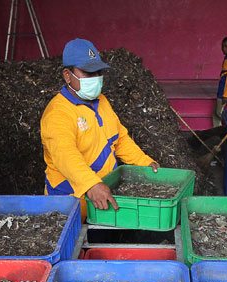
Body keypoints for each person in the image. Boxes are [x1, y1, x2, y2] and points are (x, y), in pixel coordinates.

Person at [40, 38, 158, 220]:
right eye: (88, 73)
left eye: (98, 72)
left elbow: (120, 139)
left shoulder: (102, 101)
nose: (95, 79)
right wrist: (91, 185)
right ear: (67, 75)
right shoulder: (57, 113)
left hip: (104, 199)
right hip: (71, 205)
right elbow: (65, 155)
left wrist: (145, 162)